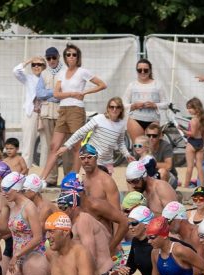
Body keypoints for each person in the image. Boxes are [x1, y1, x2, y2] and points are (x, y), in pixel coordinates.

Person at [40, 43, 107, 181]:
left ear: (78, 57)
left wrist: (85, 92)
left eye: (74, 54)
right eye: (68, 54)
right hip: (63, 110)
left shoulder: (82, 71)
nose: (71, 57)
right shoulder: (61, 72)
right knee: (54, 145)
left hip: (76, 110)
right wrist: (71, 93)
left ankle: (73, 179)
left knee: (77, 146)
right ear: (64, 57)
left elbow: (102, 85)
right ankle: (41, 179)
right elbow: (56, 94)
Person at [57, 97, 132, 175]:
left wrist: (127, 155)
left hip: (108, 162)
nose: (114, 109)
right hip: (91, 159)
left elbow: (120, 143)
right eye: (111, 107)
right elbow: (80, 132)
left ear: (121, 110)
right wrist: (67, 146)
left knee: (106, 186)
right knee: (88, 185)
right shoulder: (99, 118)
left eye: (117, 107)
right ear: (108, 108)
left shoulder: (122, 124)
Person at [35, 47, 65, 185]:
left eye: (54, 57)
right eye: (49, 58)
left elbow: (66, 92)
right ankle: (52, 179)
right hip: (47, 114)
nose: (51, 60)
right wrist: (55, 94)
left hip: (62, 113)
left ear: (58, 57)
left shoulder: (66, 72)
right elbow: (39, 93)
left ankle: (67, 178)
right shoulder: (44, 73)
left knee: (66, 147)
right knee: (50, 147)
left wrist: (50, 94)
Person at [123, 59, 168, 142]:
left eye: (145, 70)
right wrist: (133, 106)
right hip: (135, 120)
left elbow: (166, 104)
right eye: (139, 70)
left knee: (152, 147)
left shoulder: (158, 84)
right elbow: (123, 104)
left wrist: (155, 105)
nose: (142, 72)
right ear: (136, 71)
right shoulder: (132, 85)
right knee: (138, 147)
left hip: (153, 120)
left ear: (150, 71)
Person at [13, 57, 44, 166]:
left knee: (46, 144)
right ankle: (25, 170)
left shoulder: (49, 78)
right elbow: (16, 71)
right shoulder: (28, 78)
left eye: (39, 64)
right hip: (31, 113)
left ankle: (44, 173)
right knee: (28, 144)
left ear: (44, 66)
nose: (36, 66)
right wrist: (28, 61)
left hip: (46, 113)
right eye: (34, 64)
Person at [182, 97, 204, 188]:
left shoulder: (193, 120)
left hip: (192, 143)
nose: (188, 110)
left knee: (190, 167)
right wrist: (202, 144)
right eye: (188, 108)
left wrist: (183, 130)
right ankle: (202, 186)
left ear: (196, 108)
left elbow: (192, 134)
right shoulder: (203, 119)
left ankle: (185, 186)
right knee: (199, 166)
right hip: (200, 143)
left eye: (190, 108)